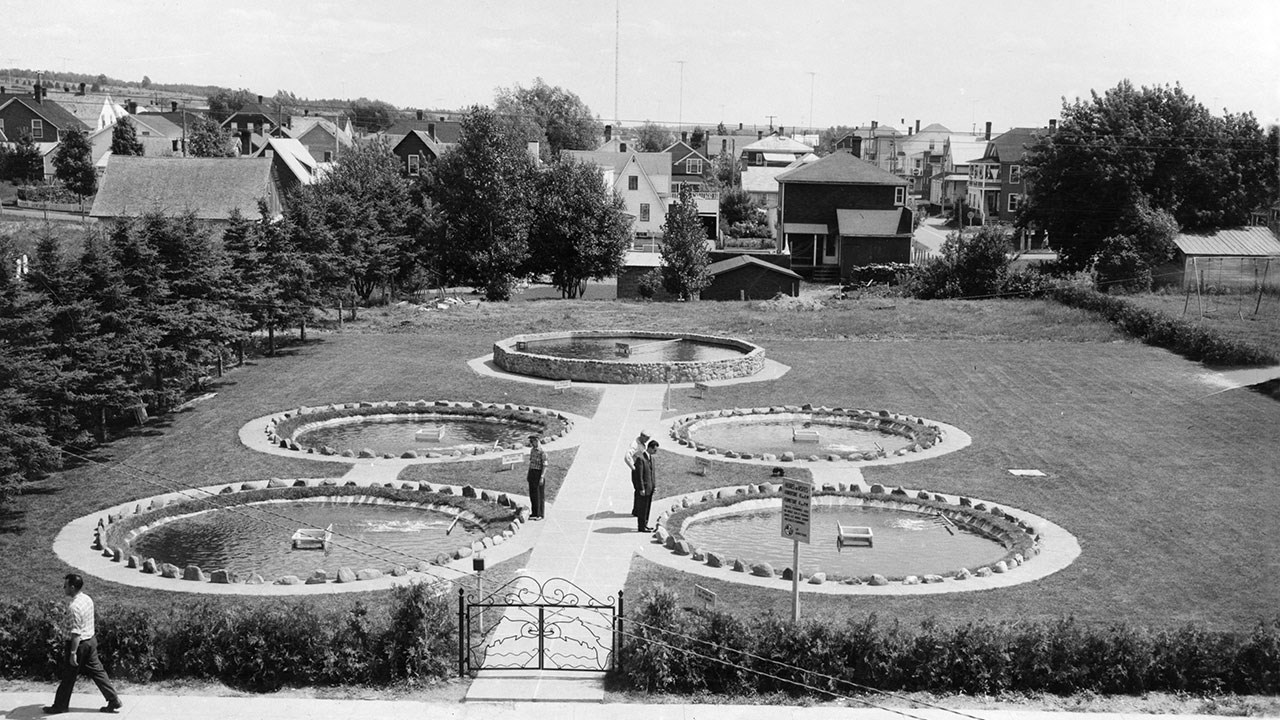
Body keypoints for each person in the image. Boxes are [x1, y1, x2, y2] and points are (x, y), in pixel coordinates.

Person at [44, 574, 122, 715]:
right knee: (98, 672)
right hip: (90, 641)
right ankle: (113, 699)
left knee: (68, 676)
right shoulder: (87, 599)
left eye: (66, 585)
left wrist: (73, 653)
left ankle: (60, 706)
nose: (64, 588)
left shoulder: (74, 607)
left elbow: (76, 634)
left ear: (72, 587)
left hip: (78, 646)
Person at [623, 430, 650, 516]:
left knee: (638, 491)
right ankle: (637, 511)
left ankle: (636, 510)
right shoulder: (635, 445)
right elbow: (627, 456)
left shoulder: (641, 443)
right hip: (637, 470)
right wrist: (633, 468)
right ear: (642, 436)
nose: (648, 440)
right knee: (639, 490)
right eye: (647, 438)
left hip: (640, 469)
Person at [636, 439, 659, 532]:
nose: (655, 452)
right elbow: (639, 475)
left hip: (650, 488)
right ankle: (641, 526)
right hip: (644, 489)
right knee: (642, 508)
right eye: (654, 450)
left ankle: (645, 524)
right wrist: (641, 488)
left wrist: (654, 486)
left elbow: (652, 474)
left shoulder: (652, 459)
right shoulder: (640, 458)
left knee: (648, 507)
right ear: (649, 448)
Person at [526, 435, 546, 520]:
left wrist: (542, 477)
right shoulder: (532, 451)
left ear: (537, 441)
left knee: (539, 494)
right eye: (530, 441)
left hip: (539, 473)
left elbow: (545, 466)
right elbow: (531, 462)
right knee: (533, 494)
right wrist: (528, 474)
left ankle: (539, 514)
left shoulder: (542, 452)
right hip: (532, 472)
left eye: (532, 441)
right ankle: (534, 512)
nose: (531, 443)